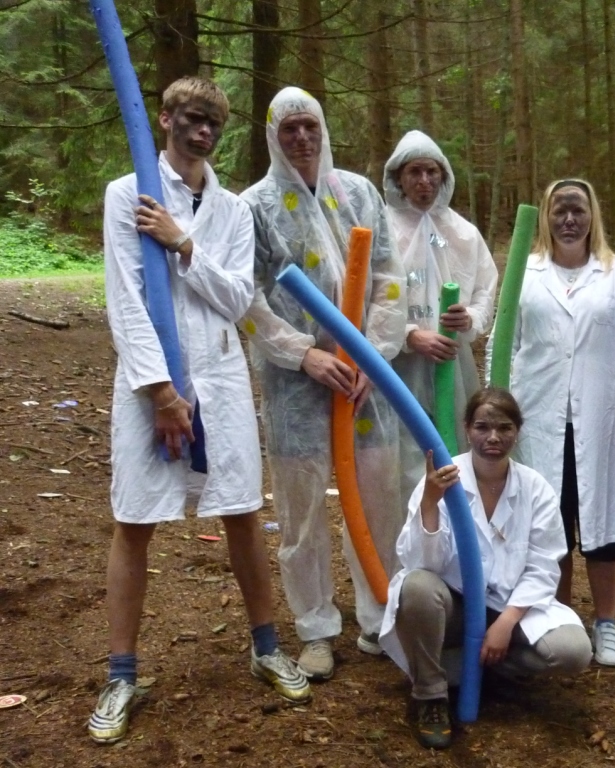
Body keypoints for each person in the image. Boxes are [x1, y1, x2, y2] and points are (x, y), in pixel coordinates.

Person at [89, 76, 310, 745]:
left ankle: (266, 645)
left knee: (241, 509)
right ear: (164, 118)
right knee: (135, 520)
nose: (203, 131)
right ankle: (121, 674)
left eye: (213, 122)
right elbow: (125, 300)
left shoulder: (232, 210)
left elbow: (238, 298)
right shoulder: (128, 194)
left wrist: (183, 243)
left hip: (219, 375)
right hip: (149, 385)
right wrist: (161, 393)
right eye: (191, 118)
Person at [239, 87, 407, 678]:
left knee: (379, 497)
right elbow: (248, 299)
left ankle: (379, 614)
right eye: (289, 129)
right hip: (297, 384)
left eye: (309, 125)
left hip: (363, 381)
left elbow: (388, 277)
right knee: (302, 510)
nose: (302, 138)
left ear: (324, 129)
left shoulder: (357, 193)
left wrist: (370, 355)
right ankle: (314, 628)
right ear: (273, 136)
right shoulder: (254, 206)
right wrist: (303, 354)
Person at [378, 388, 593, 750]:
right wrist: (430, 503)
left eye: (504, 428)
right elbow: (421, 564)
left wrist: (506, 624)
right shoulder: (442, 479)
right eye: (482, 427)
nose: (493, 437)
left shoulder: (534, 488)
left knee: (573, 651)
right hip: (454, 606)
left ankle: (488, 669)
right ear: (467, 429)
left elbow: (543, 565)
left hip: (509, 607)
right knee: (415, 589)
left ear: (517, 432)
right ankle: (431, 695)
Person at [498, 179, 615, 666]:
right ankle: (558, 618)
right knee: (548, 523)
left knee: (604, 525)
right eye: (559, 210)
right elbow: (506, 343)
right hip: (538, 415)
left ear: (593, 215)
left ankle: (606, 621)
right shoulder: (524, 271)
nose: (569, 219)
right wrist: (501, 409)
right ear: (545, 216)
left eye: (578, 209)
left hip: (601, 417)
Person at [383, 130, 499, 515]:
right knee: (405, 454)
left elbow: (485, 289)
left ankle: (457, 533)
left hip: (454, 364)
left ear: (444, 176)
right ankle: (411, 535)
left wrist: (470, 318)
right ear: (398, 178)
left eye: (432, 172)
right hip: (399, 367)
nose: (424, 181)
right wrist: (409, 335)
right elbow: (369, 298)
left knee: (457, 448)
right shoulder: (383, 231)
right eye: (414, 172)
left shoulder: (463, 233)